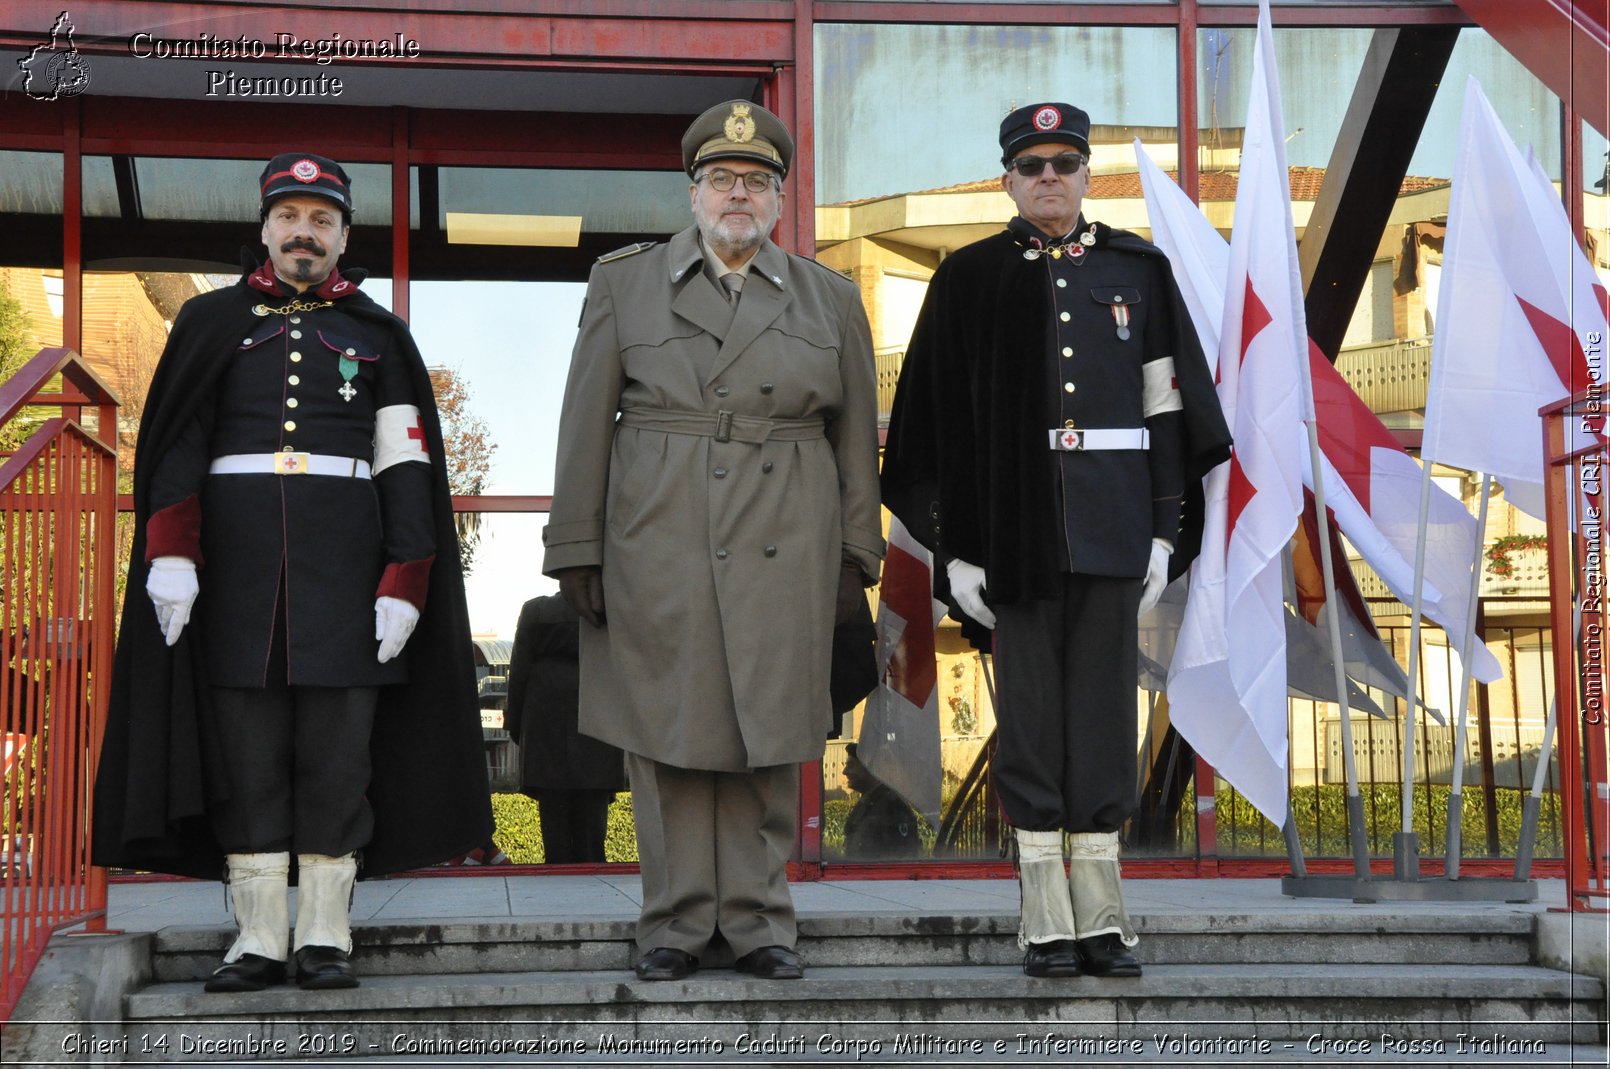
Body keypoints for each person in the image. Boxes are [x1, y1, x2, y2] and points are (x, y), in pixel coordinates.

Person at [92, 152, 493, 993]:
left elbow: (405, 466)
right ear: (266, 227)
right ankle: (259, 935)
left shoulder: (377, 335)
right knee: (248, 757)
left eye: (321, 220)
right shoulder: (208, 323)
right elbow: (177, 451)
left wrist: (407, 579)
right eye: (290, 217)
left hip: (347, 582)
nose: (304, 233)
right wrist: (171, 553)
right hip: (232, 583)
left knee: (338, 760)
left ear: (344, 234)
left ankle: (325, 931)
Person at [881, 103, 1231, 979]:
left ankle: (1104, 920)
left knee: (1107, 720)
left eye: (1064, 163)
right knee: (1033, 721)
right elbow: (928, 431)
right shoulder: (965, 279)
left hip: (1114, 533)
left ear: (1085, 175)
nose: (1048, 177)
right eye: (1031, 164)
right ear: (1007, 178)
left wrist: (1161, 535)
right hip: (1013, 541)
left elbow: (1166, 414)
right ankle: (1045, 918)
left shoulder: (1137, 271)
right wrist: (952, 553)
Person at [543, 100, 884, 982]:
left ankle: (762, 920)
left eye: (758, 182)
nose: (740, 195)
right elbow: (584, 422)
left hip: (789, 533)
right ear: (694, 193)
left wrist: (858, 555)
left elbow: (855, 442)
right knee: (666, 734)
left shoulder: (832, 298)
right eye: (724, 180)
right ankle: (674, 923)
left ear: (778, 200)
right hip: (660, 532)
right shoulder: (625, 282)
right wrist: (575, 545)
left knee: (768, 734)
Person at [506, 593, 626, 863]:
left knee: (555, 827)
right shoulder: (612, 609)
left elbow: (519, 671)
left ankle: (556, 884)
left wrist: (516, 725)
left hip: (545, 720)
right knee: (592, 832)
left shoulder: (535, 610)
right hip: (600, 717)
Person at [841, 744, 922, 859]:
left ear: (869, 767)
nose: (845, 772)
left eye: (851, 765)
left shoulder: (893, 808)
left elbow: (901, 860)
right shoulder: (867, 803)